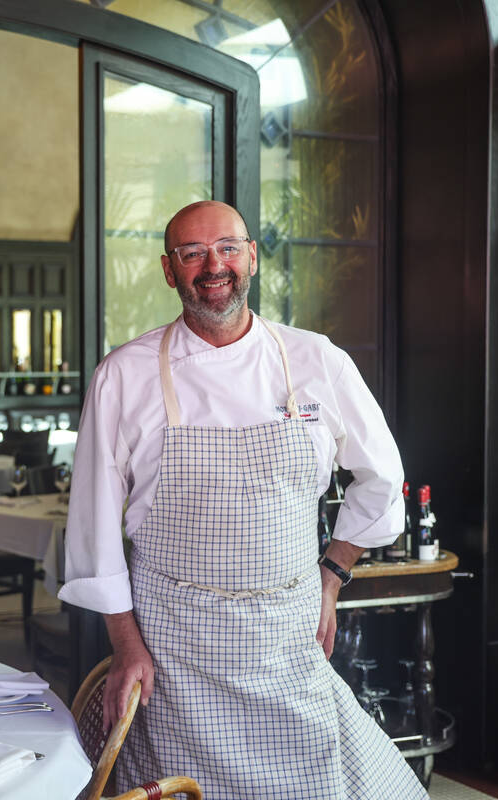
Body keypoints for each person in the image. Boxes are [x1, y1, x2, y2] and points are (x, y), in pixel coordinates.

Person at [58, 201, 427, 798]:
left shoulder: (317, 361)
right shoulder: (123, 376)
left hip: (289, 638)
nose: (214, 265)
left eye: (228, 247)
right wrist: (126, 646)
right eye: (192, 253)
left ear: (252, 256)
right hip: (177, 648)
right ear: (168, 269)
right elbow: (94, 529)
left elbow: (382, 479)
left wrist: (331, 577)